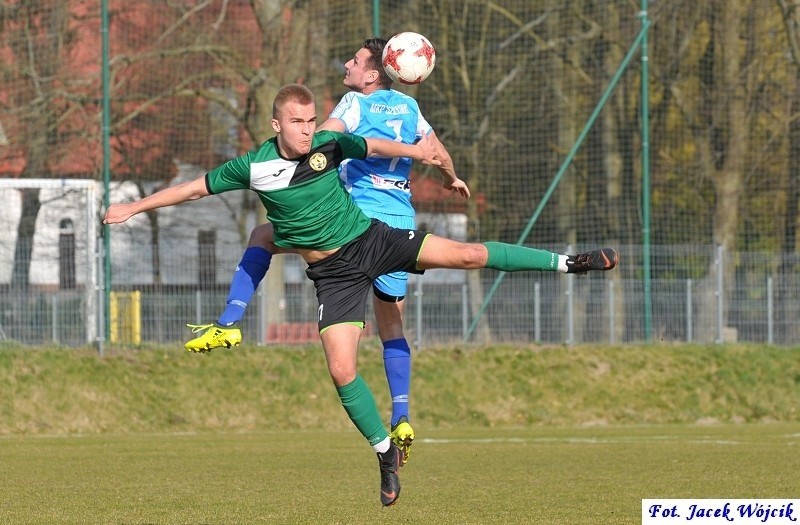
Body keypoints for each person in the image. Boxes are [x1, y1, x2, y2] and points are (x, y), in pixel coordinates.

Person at [104, 83, 618, 507]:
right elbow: (193, 188)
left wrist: (419, 153)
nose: (308, 128)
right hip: (335, 276)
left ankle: (570, 263)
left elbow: (373, 147)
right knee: (342, 370)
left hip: (373, 239)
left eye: (311, 120)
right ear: (276, 126)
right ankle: (383, 454)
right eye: (298, 122)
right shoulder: (253, 167)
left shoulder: (330, 144)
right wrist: (135, 208)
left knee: (466, 254)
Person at [183, 38, 468, 466]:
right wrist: (450, 177)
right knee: (392, 324)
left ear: (375, 72)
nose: (348, 65)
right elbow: (437, 153)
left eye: (355, 61)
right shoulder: (411, 110)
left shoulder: (354, 103)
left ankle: (230, 320)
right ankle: (403, 414)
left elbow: (326, 138)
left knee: (263, 235)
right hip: (400, 219)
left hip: (351, 221)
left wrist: (294, 143)